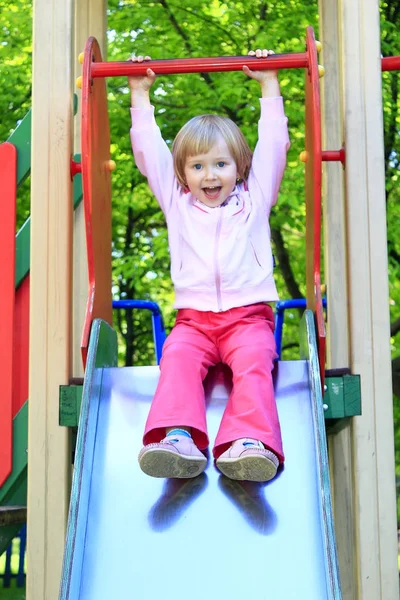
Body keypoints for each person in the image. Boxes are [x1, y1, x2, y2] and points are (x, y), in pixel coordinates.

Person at [128, 49, 290, 482]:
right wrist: (139, 94)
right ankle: (178, 438)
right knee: (176, 358)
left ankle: (250, 442)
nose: (210, 175)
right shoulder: (176, 205)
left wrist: (269, 86)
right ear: (181, 174)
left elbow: (274, 146)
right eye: (197, 166)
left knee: (255, 360)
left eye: (220, 164)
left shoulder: (254, 201)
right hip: (194, 321)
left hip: (248, 317)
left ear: (240, 168)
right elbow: (150, 151)